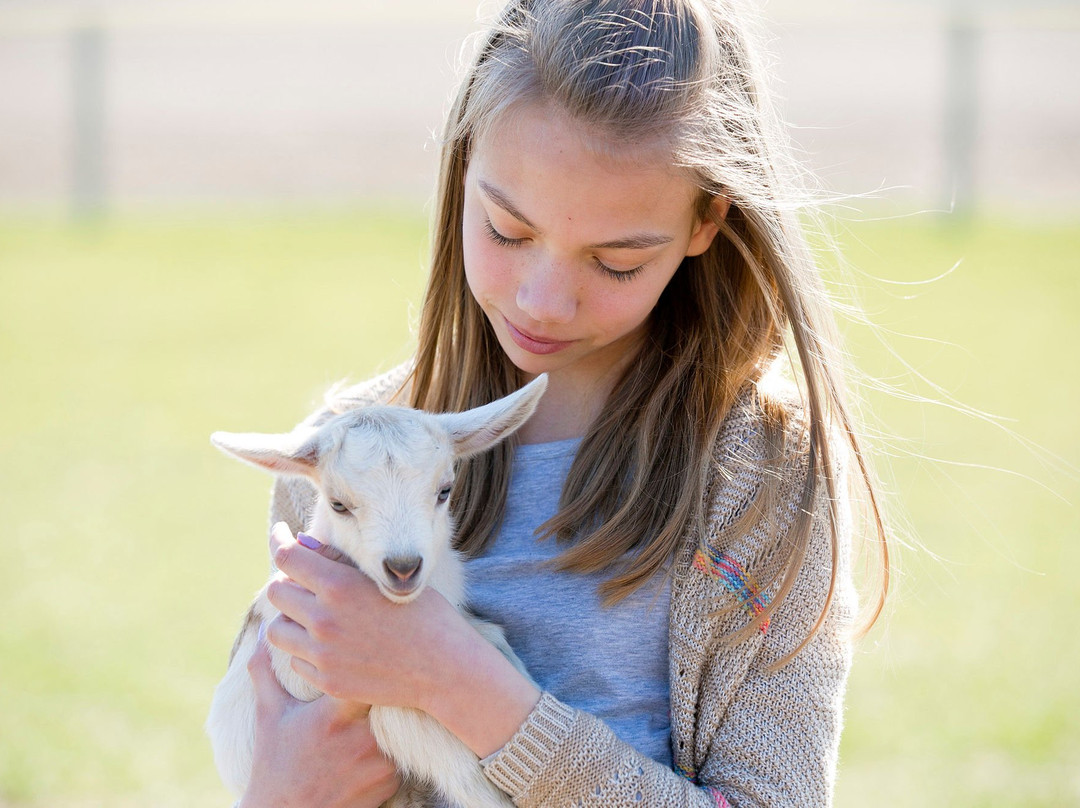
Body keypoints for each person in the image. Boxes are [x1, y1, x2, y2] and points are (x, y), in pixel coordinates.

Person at [234, 0, 890, 805]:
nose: (543, 302)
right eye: (508, 231)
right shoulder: (344, 459)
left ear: (706, 221)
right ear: (463, 167)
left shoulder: (765, 479)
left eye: (615, 261)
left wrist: (462, 683)